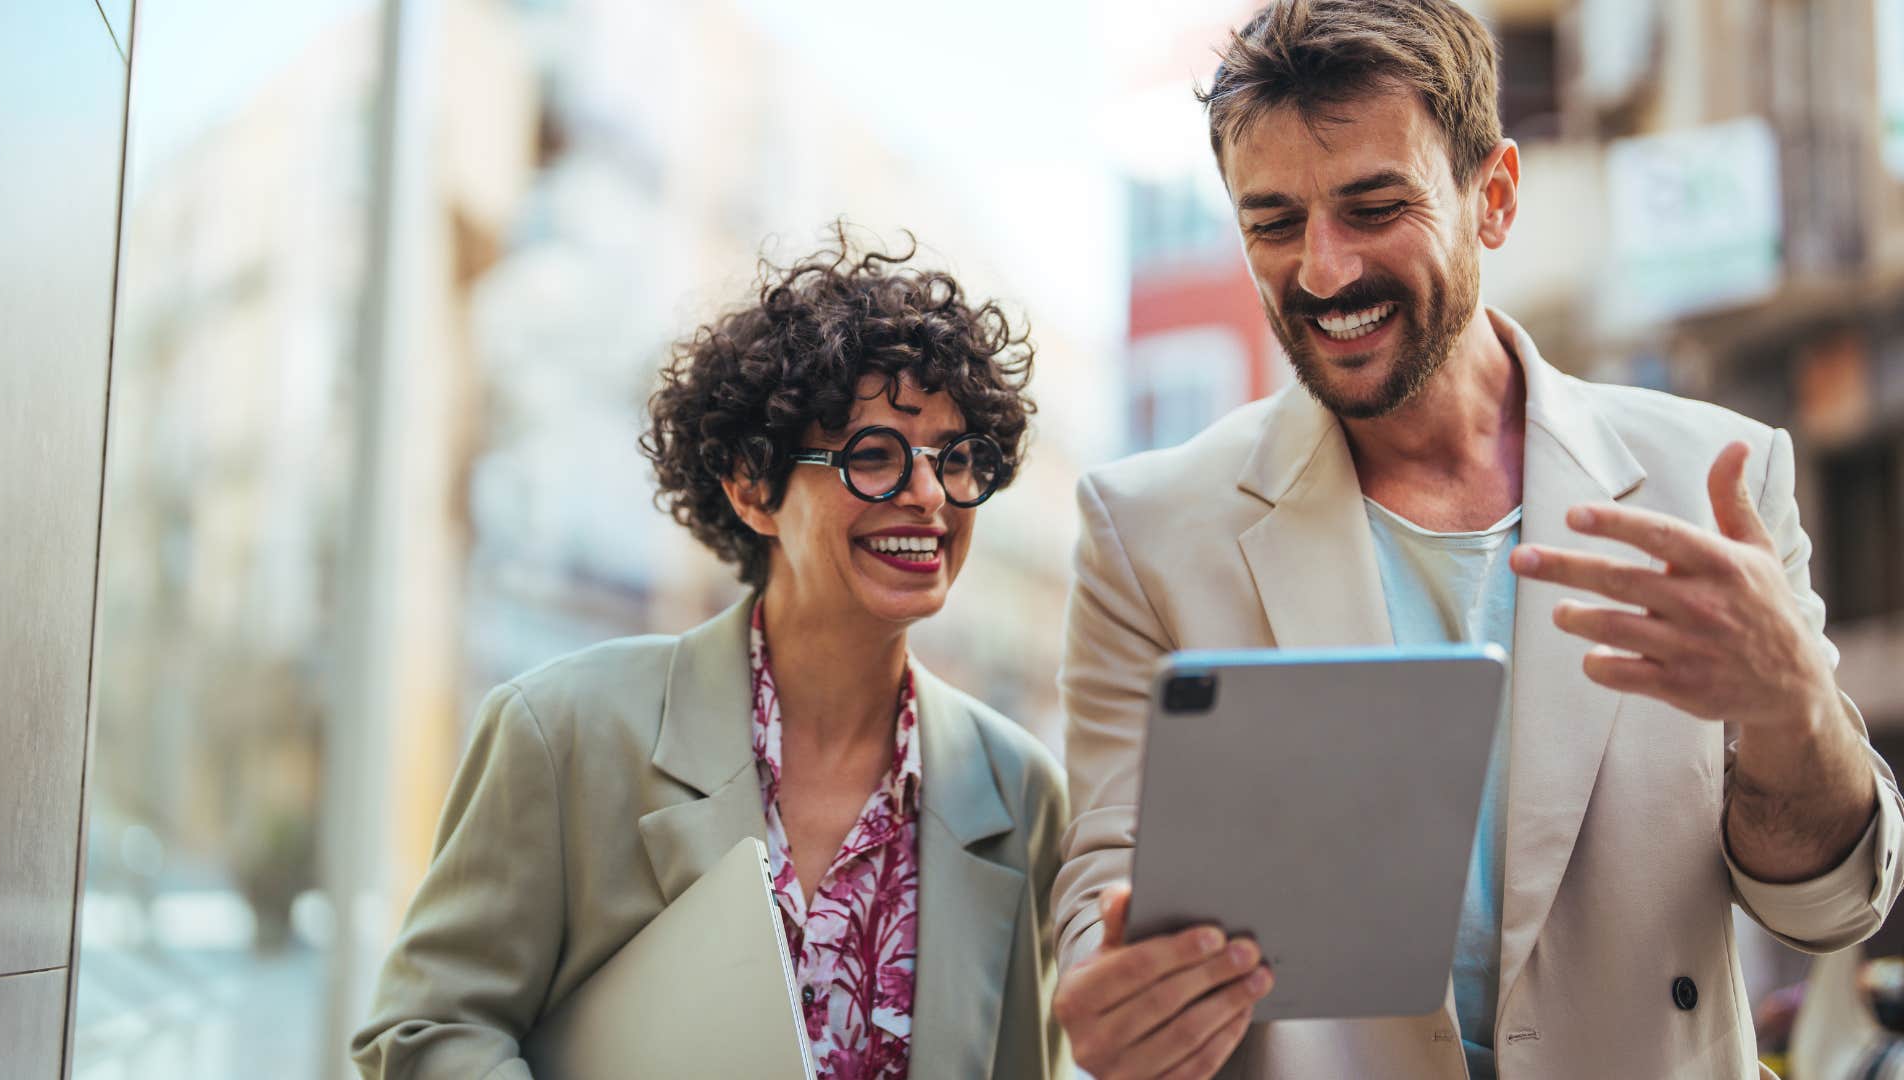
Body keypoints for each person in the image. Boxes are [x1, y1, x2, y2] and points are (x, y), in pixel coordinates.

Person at [1047, 2, 1904, 1077]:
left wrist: (1790, 709)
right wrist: (1125, 997)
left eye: (1374, 205)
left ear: (1491, 197)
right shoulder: (1147, 530)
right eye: (1273, 223)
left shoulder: (1716, 481)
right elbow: (1102, 891)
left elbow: (1828, 905)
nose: (1322, 270)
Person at [352, 229, 1070, 1079]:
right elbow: (427, 1031)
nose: (927, 497)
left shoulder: (1020, 795)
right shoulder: (562, 733)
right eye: (874, 456)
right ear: (752, 486)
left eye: (957, 461)